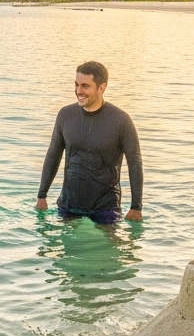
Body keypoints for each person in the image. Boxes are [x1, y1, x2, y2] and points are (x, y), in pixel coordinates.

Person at [36, 61, 144, 225]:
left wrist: (136, 206)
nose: (79, 91)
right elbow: (53, 154)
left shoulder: (120, 120)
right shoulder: (66, 115)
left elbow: (134, 162)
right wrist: (41, 196)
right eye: (77, 85)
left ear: (102, 88)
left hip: (106, 207)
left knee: (104, 250)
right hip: (69, 204)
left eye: (85, 86)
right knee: (69, 250)